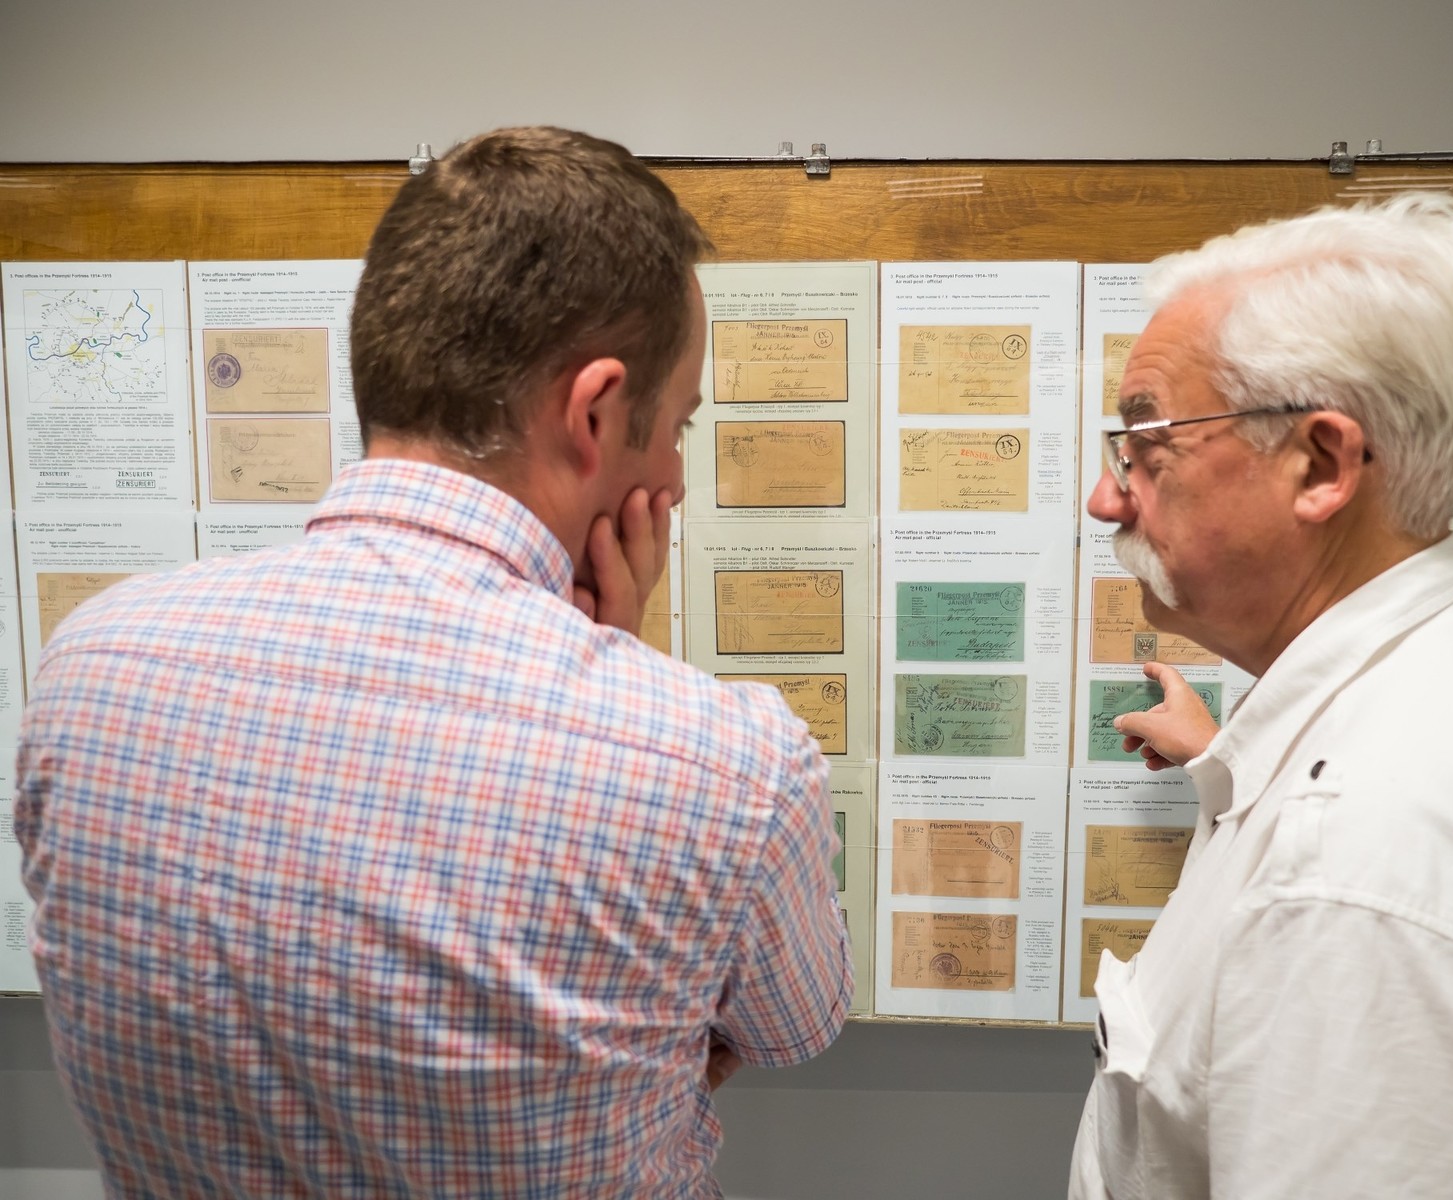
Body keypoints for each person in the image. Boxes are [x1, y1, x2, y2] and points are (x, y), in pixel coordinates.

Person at [15, 126, 852, 1198]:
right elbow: (792, 1026)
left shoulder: (91, 665)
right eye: (677, 426)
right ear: (596, 410)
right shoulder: (724, 765)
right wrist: (630, 669)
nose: (677, 480)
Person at [1071, 192, 1453, 1198]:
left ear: (1319, 464)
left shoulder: (1367, 866)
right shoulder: (1450, 680)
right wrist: (1220, 763)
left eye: (1147, 447)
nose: (1107, 497)